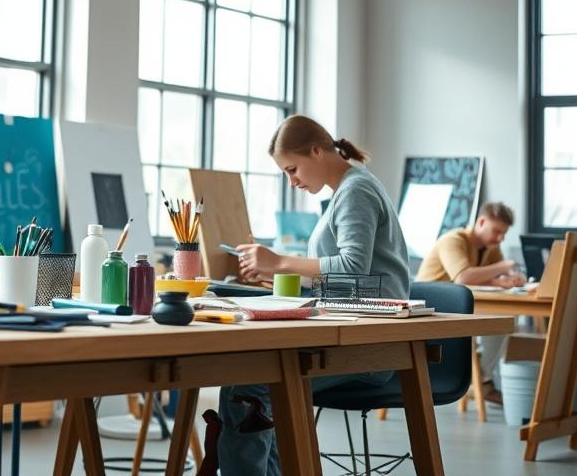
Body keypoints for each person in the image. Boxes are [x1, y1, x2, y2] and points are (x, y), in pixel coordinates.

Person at [216, 115, 410, 475]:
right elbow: (353, 281)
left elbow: (353, 266)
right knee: (254, 377)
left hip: (372, 344)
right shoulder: (347, 191)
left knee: (251, 383)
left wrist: (280, 261)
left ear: (317, 151)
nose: (292, 181)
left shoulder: (356, 191)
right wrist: (277, 271)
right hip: (353, 329)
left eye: (293, 169)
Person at [416, 201, 525, 404]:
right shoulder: (453, 240)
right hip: (431, 307)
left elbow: (490, 275)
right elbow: (463, 277)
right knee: (497, 321)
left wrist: (511, 277)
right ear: (481, 222)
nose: (500, 238)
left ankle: (480, 379)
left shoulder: (490, 247)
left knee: (504, 319)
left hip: (460, 307)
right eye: (496, 231)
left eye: (503, 234)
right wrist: (502, 267)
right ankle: (479, 382)